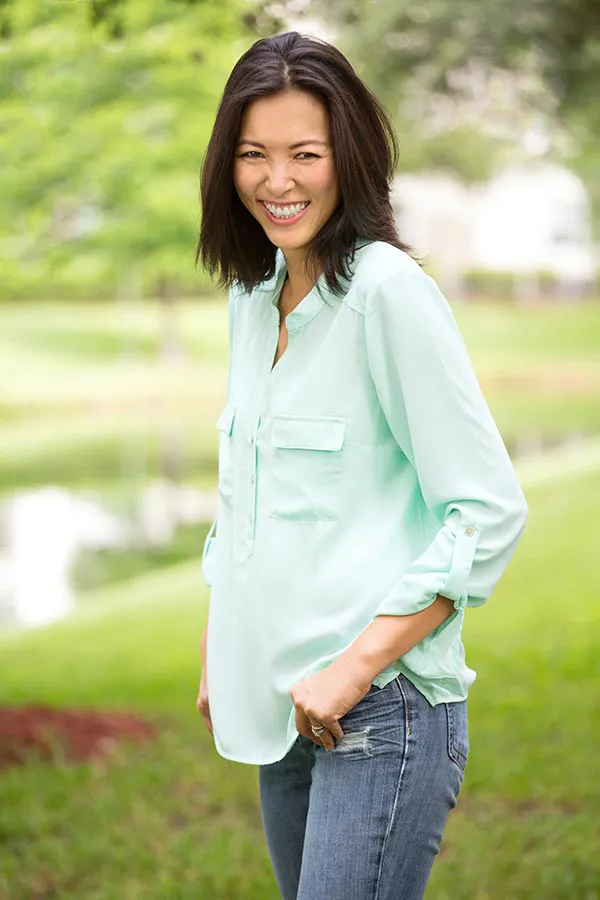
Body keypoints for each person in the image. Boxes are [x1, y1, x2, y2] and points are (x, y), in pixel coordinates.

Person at [195, 31, 528, 900]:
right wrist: (220, 647)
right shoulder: (252, 295)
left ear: (348, 158)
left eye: (305, 154)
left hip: (381, 706)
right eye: (253, 155)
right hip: (285, 708)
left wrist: (354, 667)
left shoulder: (385, 290)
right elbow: (246, 498)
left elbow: (487, 511)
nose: (279, 181)